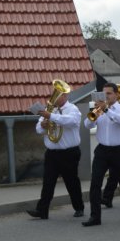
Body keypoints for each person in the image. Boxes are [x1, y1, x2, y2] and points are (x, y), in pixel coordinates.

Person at [82, 83, 120, 226]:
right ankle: (95, 217)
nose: (106, 96)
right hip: (102, 150)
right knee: (95, 183)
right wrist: (95, 113)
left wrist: (107, 110)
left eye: (108, 94)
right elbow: (87, 125)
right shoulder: (98, 109)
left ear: (116, 94)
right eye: (104, 94)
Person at [26, 84, 85, 220]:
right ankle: (42, 211)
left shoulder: (72, 109)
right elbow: (38, 129)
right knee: (48, 182)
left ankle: (79, 208)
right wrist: (42, 125)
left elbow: (71, 121)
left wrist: (51, 116)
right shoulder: (49, 110)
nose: (53, 98)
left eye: (57, 95)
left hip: (69, 153)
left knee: (72, 182)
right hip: (52, 153)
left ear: (65, 96)